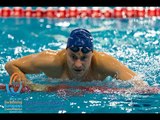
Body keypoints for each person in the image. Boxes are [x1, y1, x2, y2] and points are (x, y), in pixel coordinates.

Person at [4, 28, 149, 92]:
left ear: (92, 55)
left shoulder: (103, 63)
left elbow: (139, 83)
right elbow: (11, 65)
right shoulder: (50, 61)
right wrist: (25, 81)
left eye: (84, 58)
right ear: (66, 52)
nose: (78, 64)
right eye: (73, 57)